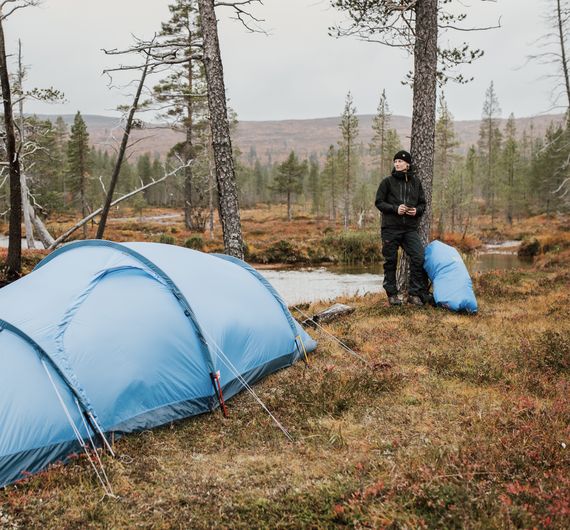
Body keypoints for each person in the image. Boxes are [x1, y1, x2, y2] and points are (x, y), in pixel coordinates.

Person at [375, 150, 426, 306]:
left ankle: (414, 294)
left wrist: (416, 211)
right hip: (390, 228)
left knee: (419, 257)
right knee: (390, 261)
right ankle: (392, 295)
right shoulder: (387, 182)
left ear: (408, 164)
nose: (397, 164)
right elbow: (379, 202)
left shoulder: (416, 183)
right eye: (395, 161)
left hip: (409, 229)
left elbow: (423, 204)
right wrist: (395, 209)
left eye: (400, 161)